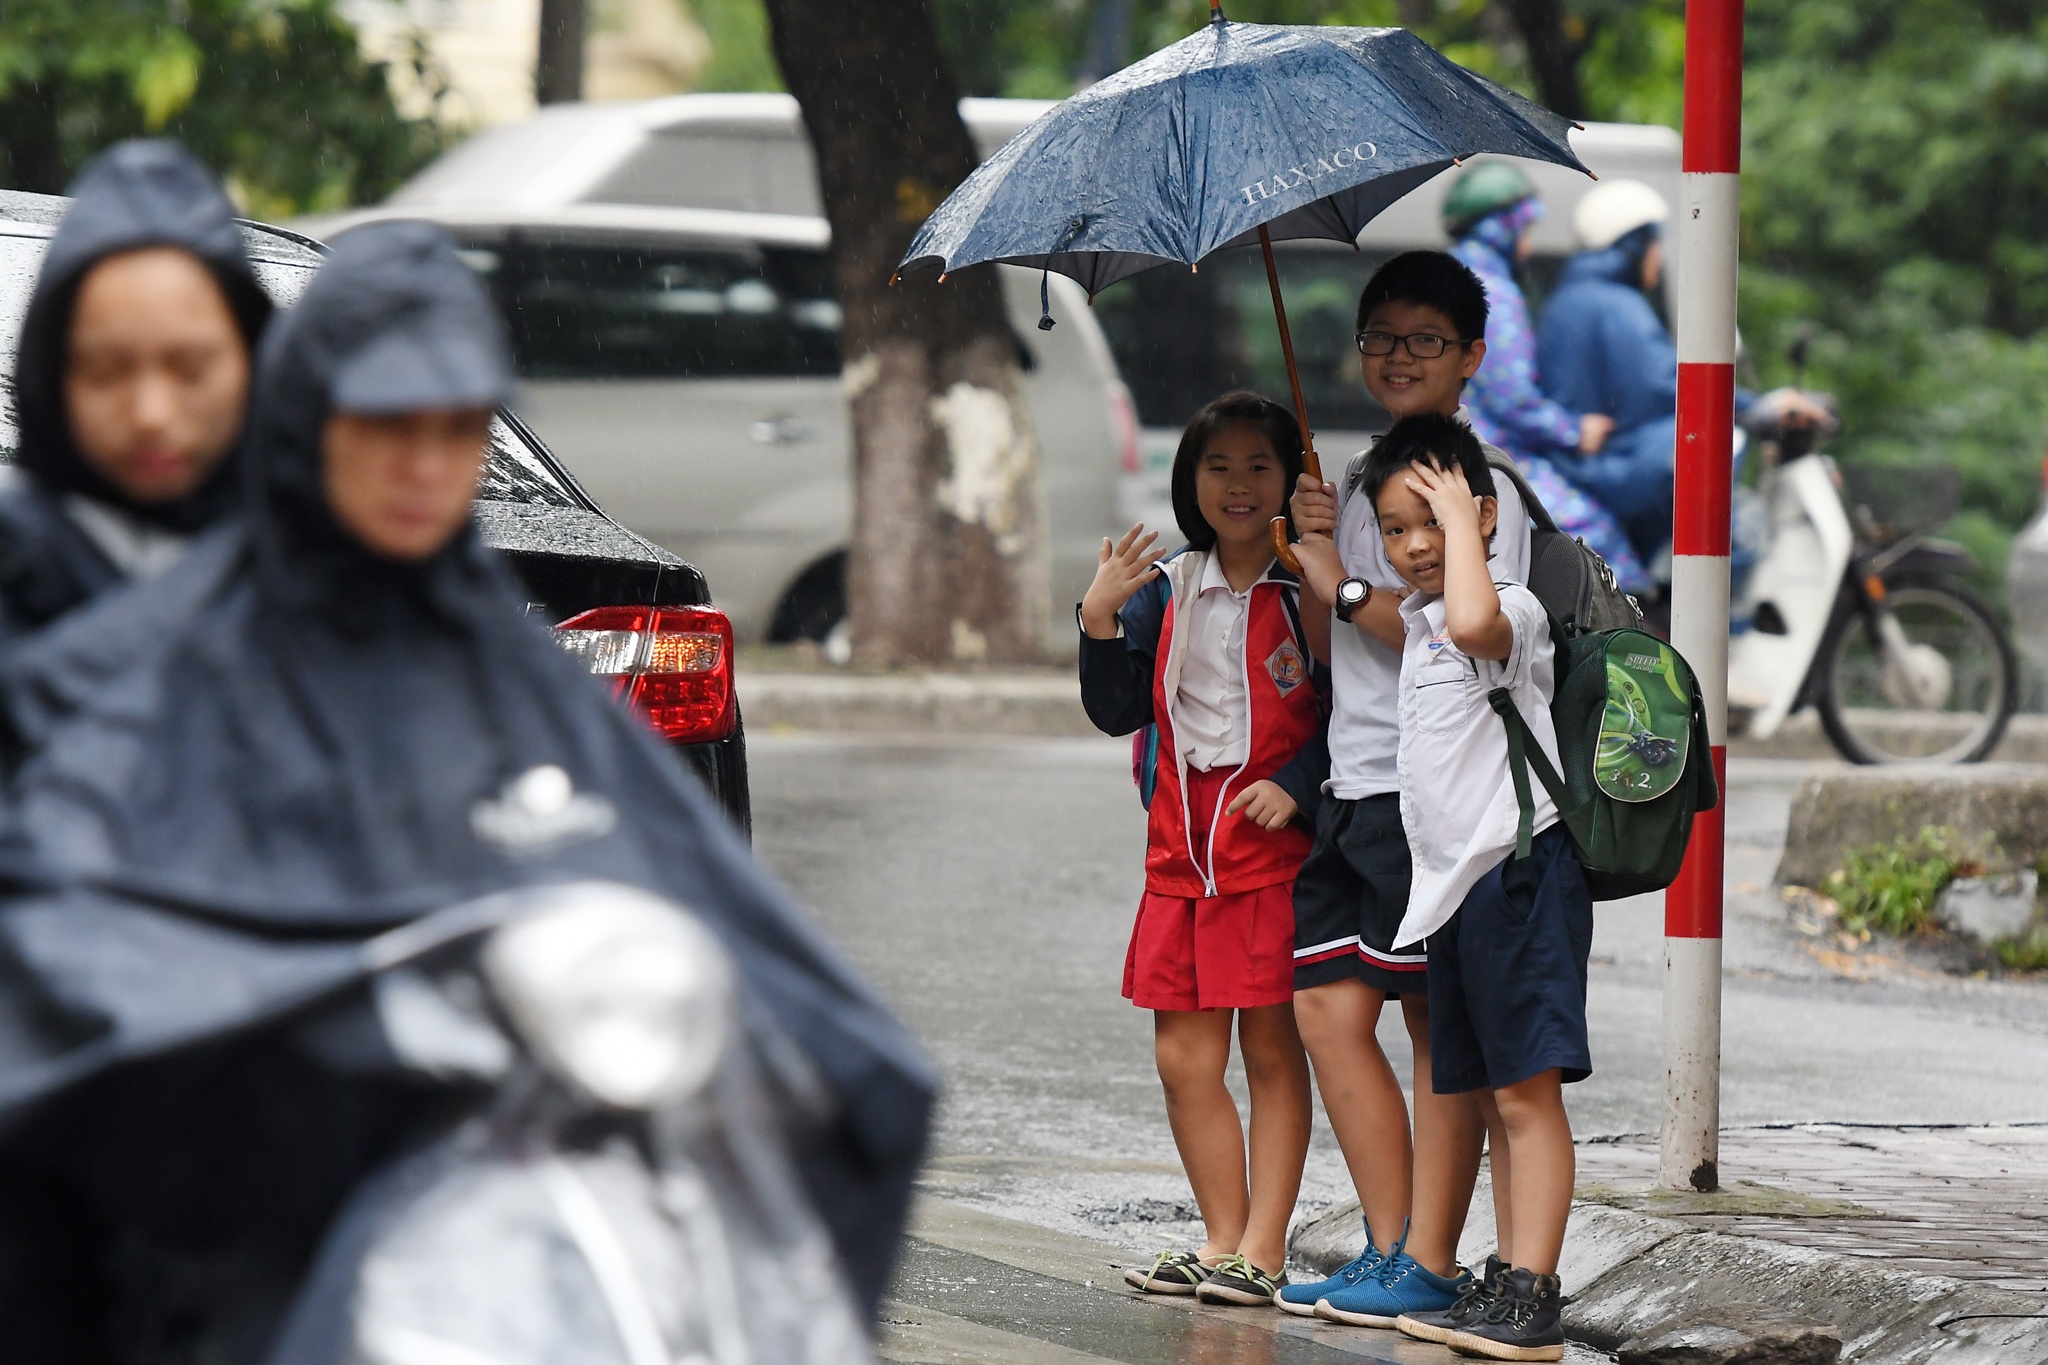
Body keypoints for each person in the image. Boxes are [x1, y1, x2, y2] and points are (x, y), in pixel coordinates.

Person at [0, 221, 934, 1357]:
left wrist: (813, 1060)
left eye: (457, 426)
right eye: (384, 423)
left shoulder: (528, 664)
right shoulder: (169, 644)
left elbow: (720, 919)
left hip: (492, 1198)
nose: (425, 464)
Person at [1277, 252, 1530, 1330]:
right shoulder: (1355, 478)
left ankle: (1425, 1256)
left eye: (1422, 340)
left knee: (1434, 1025)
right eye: (1379, 336)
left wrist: (1338, 577)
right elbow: (1329, 642)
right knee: (1326, 1007)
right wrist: (1310, 550)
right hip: (1353, 775)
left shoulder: (1480, 492)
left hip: (1426, 789)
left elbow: (1446, 627)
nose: (1394, 356)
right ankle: (1390, 1244)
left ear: (1470, 358)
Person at [1078, 392, 1324, 1308]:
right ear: (1188, 480)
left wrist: (1298, 786)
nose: (1237, 483)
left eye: (1259, 465)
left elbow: (1363, 711)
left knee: (1269, 1052)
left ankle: (1264, 1247)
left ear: (1289, 479)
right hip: (1179, 852)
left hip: (1268, 853)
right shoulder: (1167, 587)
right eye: (1216, 466)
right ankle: (1222, 1239)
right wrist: (1099, 619)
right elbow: (1116, 710)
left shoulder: (1311, 588)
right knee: (1184, 1060)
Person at [1359, 412, 1590, 1362]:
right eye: (1397, 526)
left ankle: (1534, 1291)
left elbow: (1475, 622)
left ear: (1485, 518)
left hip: (1520, 871)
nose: (1415, 545)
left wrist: (1465, 529)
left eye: (1434, 520)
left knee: (1529, 1096)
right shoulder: (1415, 626)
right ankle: (1503, 1278)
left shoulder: (1511, 607)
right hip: (1458, 893)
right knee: (1496, 1098)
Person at [0, 138, 271, 642]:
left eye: (191, 370)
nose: (151, 415)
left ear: (254, 362)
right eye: (105, 372)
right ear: (50, 375)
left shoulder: (330, 573)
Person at [1441, 162, 1650, 595]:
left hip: (1457, 445)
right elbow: (1512, 398)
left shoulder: (1448, 274)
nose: (1530, 245)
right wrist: (1576, 430)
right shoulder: (1490, 290)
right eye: (1526, 230)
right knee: (1593, 532)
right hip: (1495, 454)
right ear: (1503, 227)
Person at [1536, 178, 1680, 565]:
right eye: (1656, 244)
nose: (1660, 257)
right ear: (1633, 244)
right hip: (1609, 469)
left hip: (1579, 466)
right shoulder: (1618, 305)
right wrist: (1749, 406)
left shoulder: (1564, 300)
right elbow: (1662, 386)